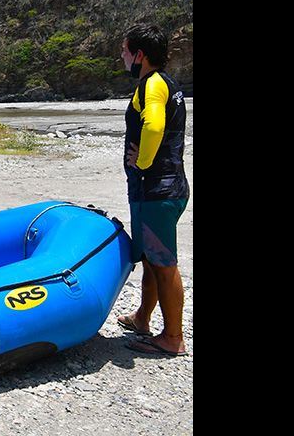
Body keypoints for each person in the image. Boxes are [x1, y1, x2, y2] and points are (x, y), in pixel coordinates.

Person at [117, 23, 189, 357]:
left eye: (125, 50)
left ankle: (173, 337)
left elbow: (154, 124)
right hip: (163, 188)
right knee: (150, 258)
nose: (122, 56)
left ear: (140, 55)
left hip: (158, 191)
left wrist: (143, 162)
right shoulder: (166, 84)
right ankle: (143, 318)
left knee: (163, 263)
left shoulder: (153, 85)